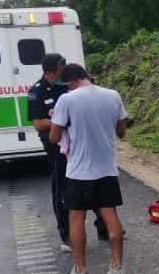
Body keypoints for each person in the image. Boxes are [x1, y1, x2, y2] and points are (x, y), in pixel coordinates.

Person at [49, 64, 128, 274]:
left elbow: (54, 138)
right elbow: (121, 131)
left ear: (70, 82)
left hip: (79, 172)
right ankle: (117, 267)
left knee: (76, 218)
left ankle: (81, 273)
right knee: (111, 216)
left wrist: (58, 120)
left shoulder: (67, 100)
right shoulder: (113, 95)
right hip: (107, 169)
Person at [27, 53, 108, 251]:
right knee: (63, 189)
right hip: (56, 148)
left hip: (79, 142)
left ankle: (104, 228)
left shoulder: (68, 86)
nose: (65, 70)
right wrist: (63, 120)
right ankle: (67, 235)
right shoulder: (36, 92)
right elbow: (38, 123)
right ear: (51, 71)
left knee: (94, 180)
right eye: (61, 67)